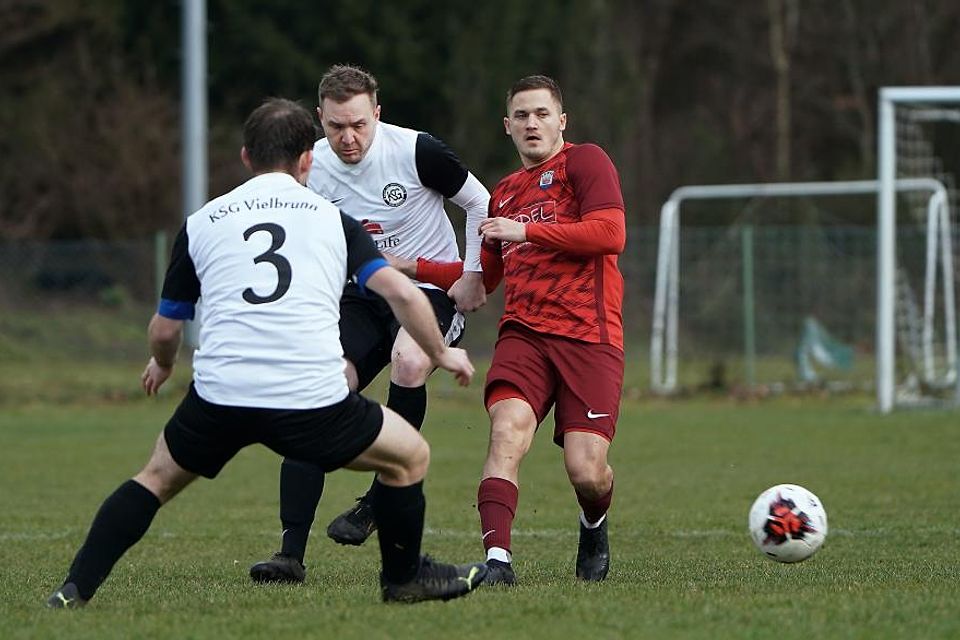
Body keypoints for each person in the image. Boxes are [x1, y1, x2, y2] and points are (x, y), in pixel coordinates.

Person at [45, 98, 487, 608]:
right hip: (307, 398)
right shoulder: (334, 220)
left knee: (155, 479)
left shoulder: (202, 221)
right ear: (307, 159)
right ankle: (403, 579)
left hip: (220, 395)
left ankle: (73, 591)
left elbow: (165, 329)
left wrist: (163, 365)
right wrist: (442, 352)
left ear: (245, 157)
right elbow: (402, 294)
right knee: (410, 456)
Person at [249, 65, 492, 583]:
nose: (349, 137)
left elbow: (479, 202)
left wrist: (472, 274)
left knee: (409, 361)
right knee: (320, 389)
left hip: (424, 293)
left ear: (377, 114)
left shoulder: (417, 150)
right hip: (357, 297)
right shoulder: (309, 167)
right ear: (320, 119)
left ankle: (381, 496)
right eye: (337, 126)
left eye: (359, 124)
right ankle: (290, 554)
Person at [472, 75, 627, 585]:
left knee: (587, 471)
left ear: (562, 121)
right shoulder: (503, 194)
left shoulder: (585, 162)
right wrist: (406, 268)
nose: (531, 123)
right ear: (507, 126)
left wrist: (527, 230)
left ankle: (593, 521)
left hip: (589, 335)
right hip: (524, 335)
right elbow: (481, 280)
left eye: (541, 114)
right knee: (506, 430)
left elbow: (610, 233)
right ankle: (498, 562)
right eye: (521, 115)